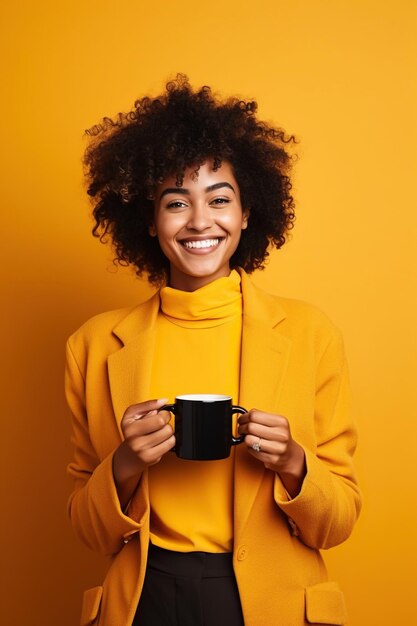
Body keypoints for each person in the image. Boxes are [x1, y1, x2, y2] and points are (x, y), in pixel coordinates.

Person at [65, 74, 361, 626]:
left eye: (220, 199)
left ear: (247, 214)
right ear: (150, 223)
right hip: (144, 598)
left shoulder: (309, 333)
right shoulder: (93, 345)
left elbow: (338, 523)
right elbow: (88, 530)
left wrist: (294, 463)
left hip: (270, 602)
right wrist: (126, 462)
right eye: (176, 203)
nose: (200, 222)